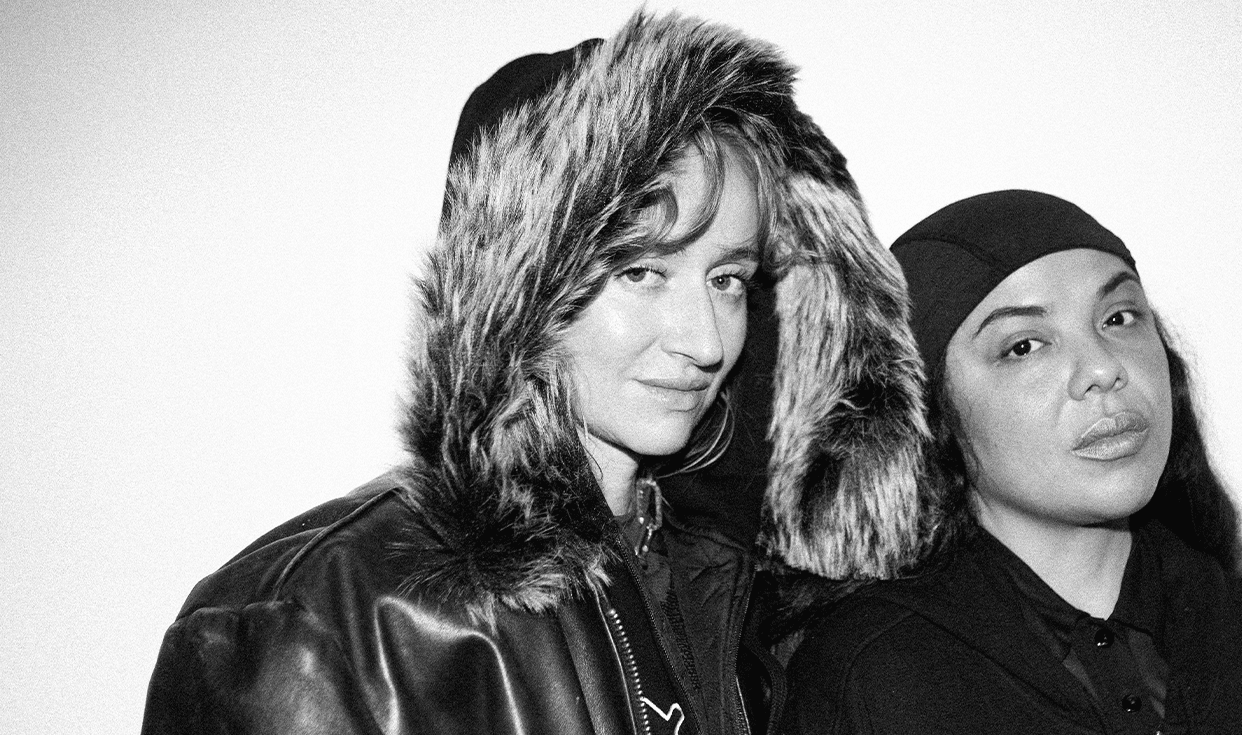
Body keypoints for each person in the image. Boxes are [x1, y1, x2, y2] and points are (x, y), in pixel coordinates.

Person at [141, 11, 928, 735]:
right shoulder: (316, 623)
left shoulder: (732, 588)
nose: (706, 340)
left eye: (727, 279)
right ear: (514, 288)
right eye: (640, 271)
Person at [781, 190, 1242, 734]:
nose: (1103, 368)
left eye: (1119, 317)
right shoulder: (873, 673)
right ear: (930, 413)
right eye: (1024, 346)